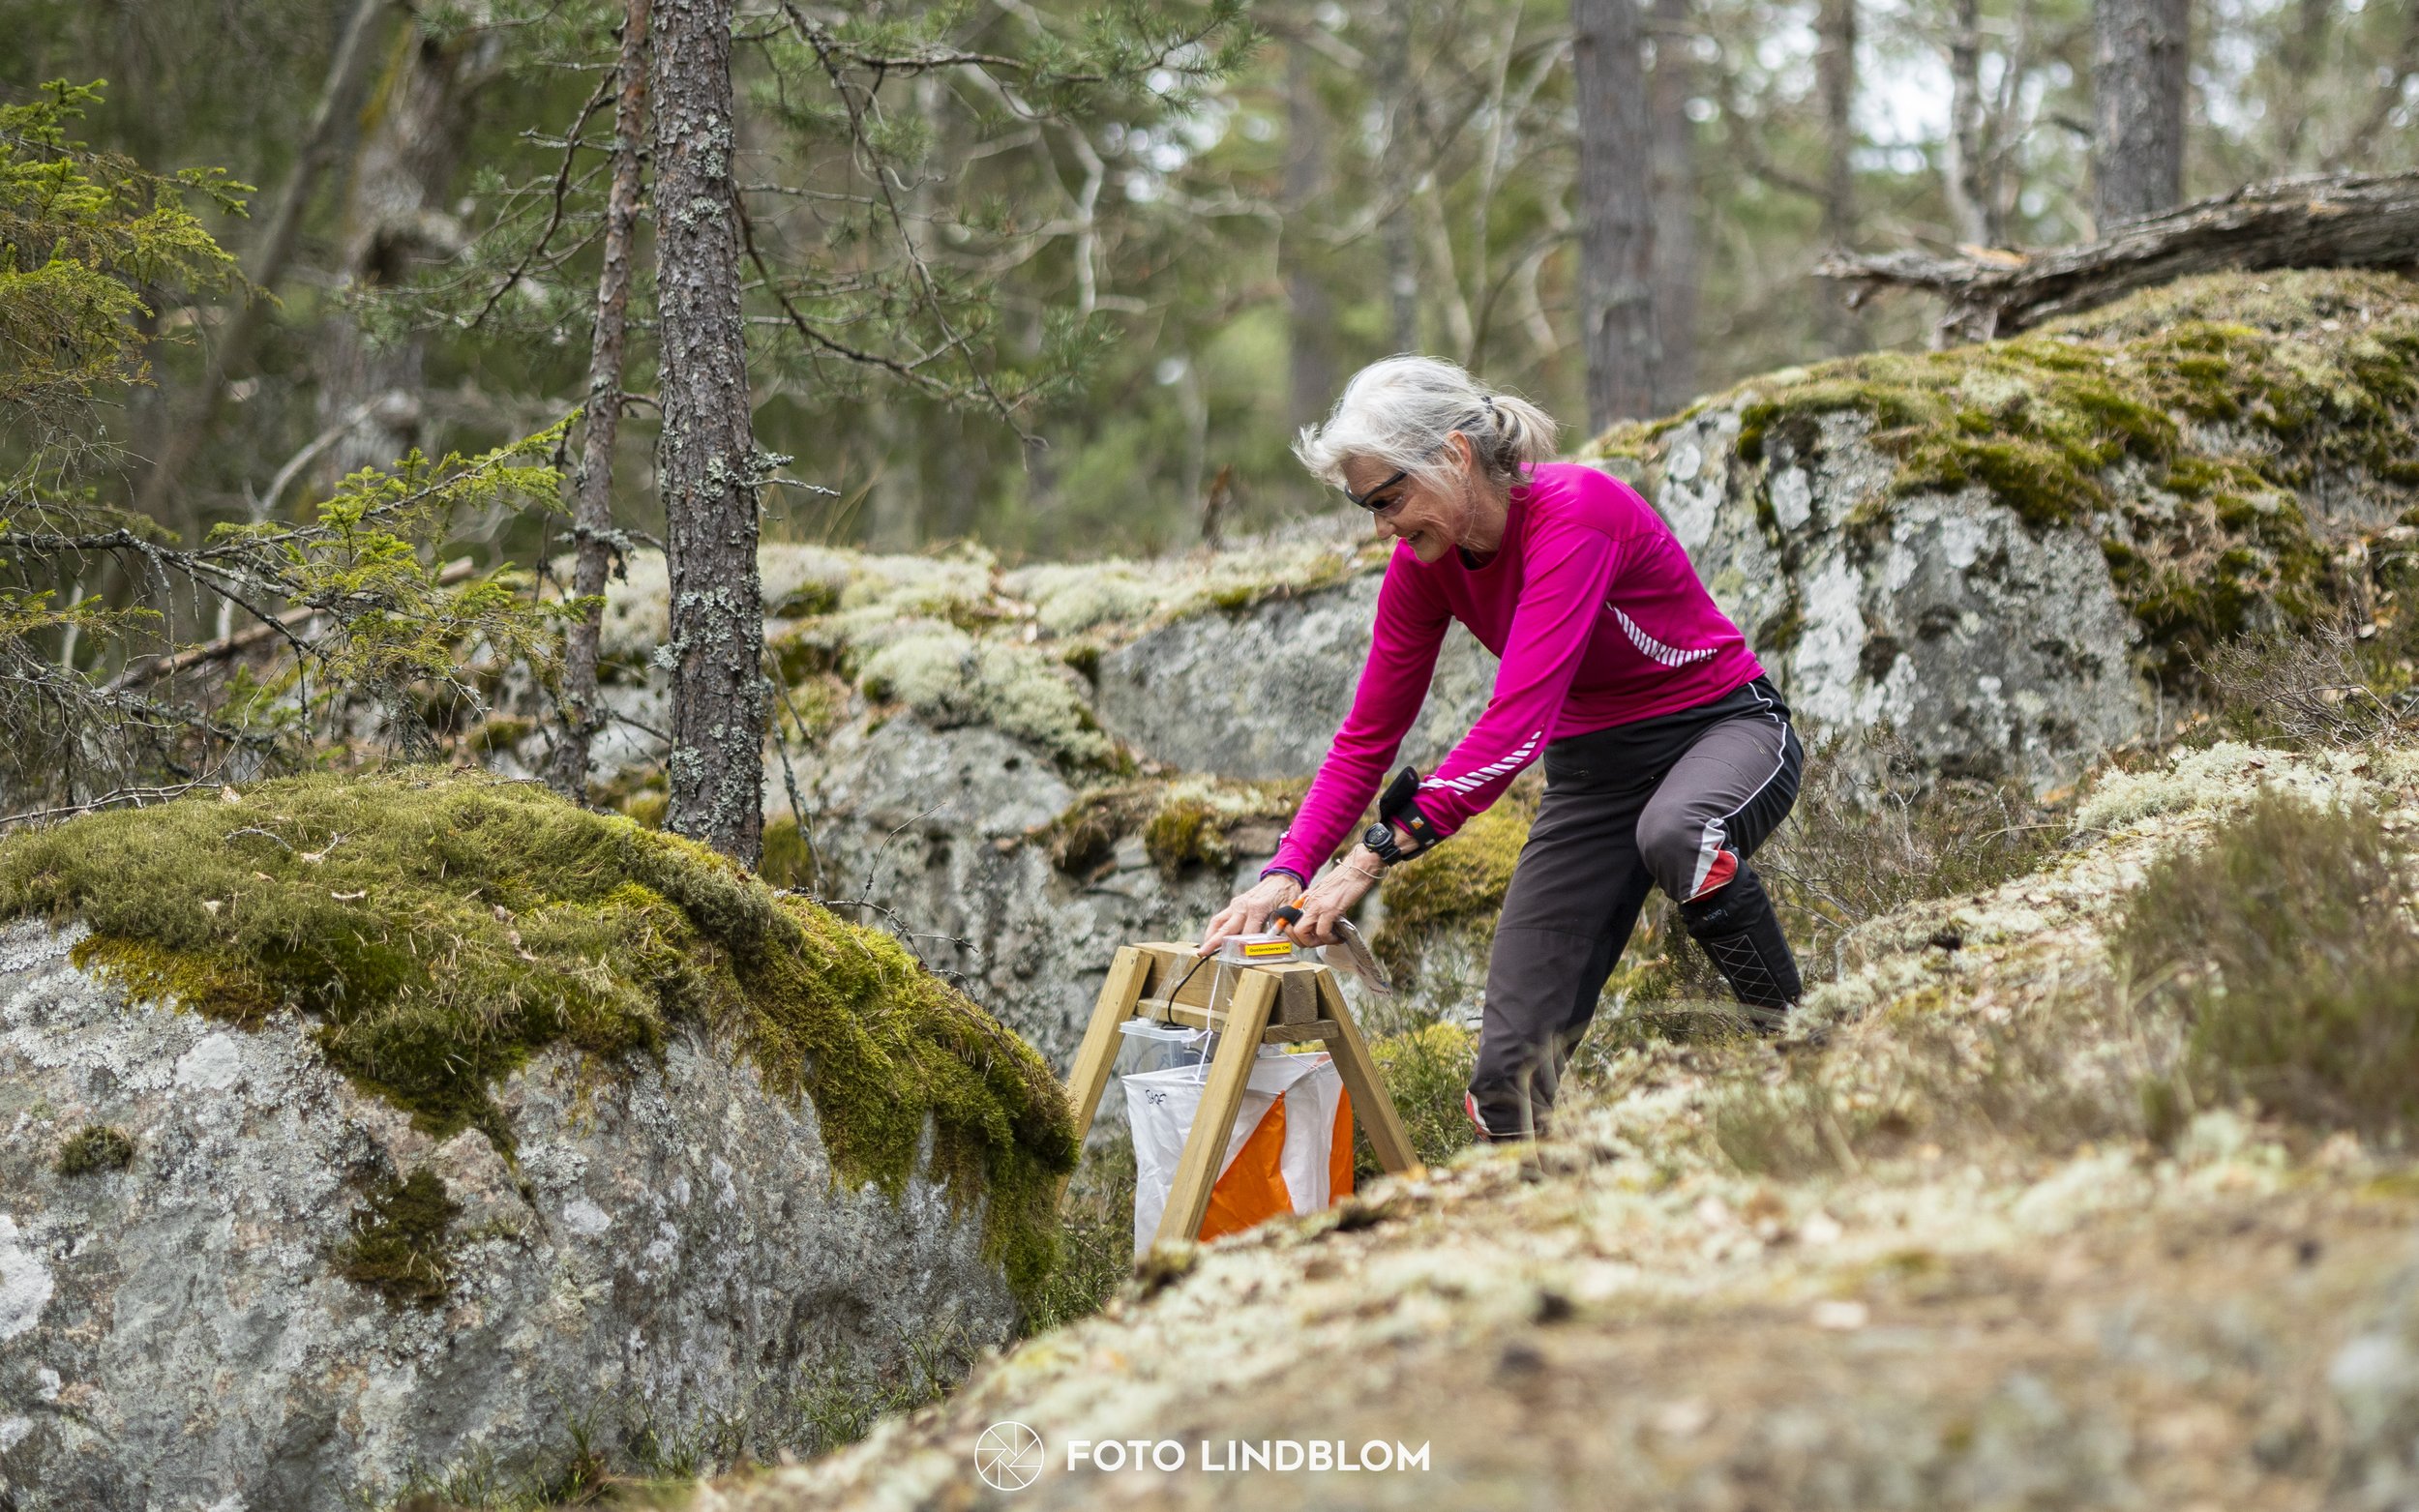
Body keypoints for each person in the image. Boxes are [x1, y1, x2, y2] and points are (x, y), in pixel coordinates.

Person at [1198, 356, 1804, 1140]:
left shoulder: (1577, 511)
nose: (1381, 525)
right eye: (1365, 507)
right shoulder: (1424, 566)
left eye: (1389, 498)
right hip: (1594, 777)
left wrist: (1370, 856)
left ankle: (1807, 1053)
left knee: (1680, 834)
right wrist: (1286, 869)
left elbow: (1515, 727)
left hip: (1725, 727)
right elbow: (1365, 740)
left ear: (1453, 455)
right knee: (1505, 1088)